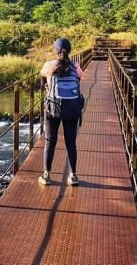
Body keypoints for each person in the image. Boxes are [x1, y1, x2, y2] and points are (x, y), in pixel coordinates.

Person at [38, 37, 85, 186]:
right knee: (71, 142)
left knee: (50, 140)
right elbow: (79, 80)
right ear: (69, 51)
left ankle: (46, 175)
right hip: (72, 107)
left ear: (56, 50)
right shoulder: (76, 66)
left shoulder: (49, 65)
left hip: (53, 107)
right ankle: (73, 176)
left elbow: (43, 80)